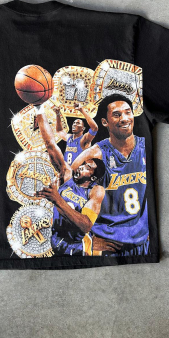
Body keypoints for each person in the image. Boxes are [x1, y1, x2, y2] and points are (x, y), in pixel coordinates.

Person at [33, 105, 122, 256]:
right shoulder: (67, 175)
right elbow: (51, 144)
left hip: (78, 246)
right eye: (83, 164)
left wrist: (57, 199)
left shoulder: (95, 191)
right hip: (56, 239)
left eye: (87, 167)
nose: (81, 167)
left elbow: (86, 225)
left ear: (93, 177)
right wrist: (39, 109)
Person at [71, 94, 149, 257]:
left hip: (143, 242)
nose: (124, 118)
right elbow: (64, 193)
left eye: (128, 112)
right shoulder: (94, 155)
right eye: (117, 114)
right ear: (105, 122)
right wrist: (86, 240)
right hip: (107, 246)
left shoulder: (146, 146)